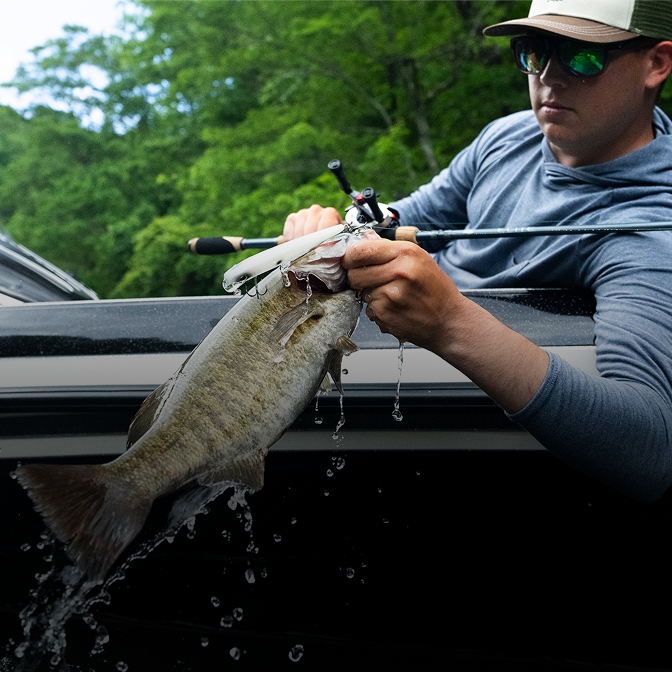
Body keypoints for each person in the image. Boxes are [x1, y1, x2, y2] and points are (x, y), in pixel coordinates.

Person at [283, 0, 672, 503]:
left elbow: (651, 448)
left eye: (582, 57)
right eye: (535, 51)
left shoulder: (650, 228)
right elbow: (410, 212)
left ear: (657, 64)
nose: (549, 77)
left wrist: (449, 323)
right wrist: (337, 232)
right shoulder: (510, 136)